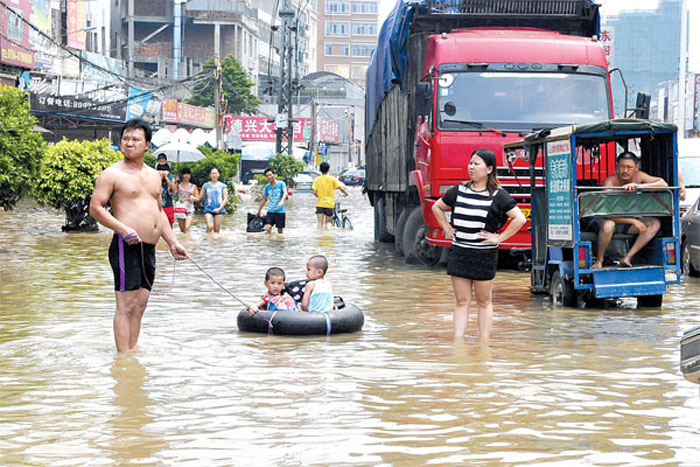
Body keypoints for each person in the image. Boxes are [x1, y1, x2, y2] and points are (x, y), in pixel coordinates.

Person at [89, 118, 188, 353]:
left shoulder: (155, 175)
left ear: (147, 145)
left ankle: (132, 352)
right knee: (126, 305)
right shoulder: (111, 174)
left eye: (135, 140)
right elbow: (96, 208)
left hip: (149, 248)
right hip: (126, 246)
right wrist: (122, 229)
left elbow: (159, 212)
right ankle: (122, 360)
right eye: (125, 139)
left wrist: (173, 242)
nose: (129, 144)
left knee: (141, 304)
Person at [432, 149, 526, 338]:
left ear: (489, 169)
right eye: (470, 163)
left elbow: (520, 219)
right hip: (460, 252)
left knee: (483, 301)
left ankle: (484, 342)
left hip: (484, 255)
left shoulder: (498, 195)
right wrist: (447, 229)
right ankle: (458, 341)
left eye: (476, 164)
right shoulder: (459, 190)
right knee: (461, 300)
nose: (471, 167)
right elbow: (437, 207)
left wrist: (498, 238)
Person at [591, 151, 667, 269]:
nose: (625, 171)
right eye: (622, 167)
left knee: (654, 223)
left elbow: (663, 184)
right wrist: (634, 221)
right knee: (608, 225)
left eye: (629, 167)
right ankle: (599, 260)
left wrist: (639, 186)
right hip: (611, 219)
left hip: (628, 224)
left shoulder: (639, 176)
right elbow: (607, 213)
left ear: (636, 167)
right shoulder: (610, 182)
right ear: (617, 167)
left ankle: (627, 257)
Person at [312, 162, 349, 229]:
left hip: (320, 204)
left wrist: (320, 196)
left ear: (320, 169)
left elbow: (314, 192)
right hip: (329, 204)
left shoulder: (317, 179)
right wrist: (346, 194)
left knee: (320, 223)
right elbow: (340, 188)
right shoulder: (332, 179)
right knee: (328, 223)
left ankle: (319, 237)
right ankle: (328, 237)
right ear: (328, 169)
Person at [256, 167, 288, 234]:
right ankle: (268, 243)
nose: (269, 177)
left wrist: (281, 201)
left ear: (274, 175)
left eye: (270, 175)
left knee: (280, 232)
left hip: (280, 211)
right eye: (267, 176)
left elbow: (285, 193)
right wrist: (259, 211)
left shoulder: (281, 183)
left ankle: (278, 243)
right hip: (270, 211)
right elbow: (264, 199)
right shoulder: (267, 187)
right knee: (268, 229)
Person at [197, 167, 228, 233]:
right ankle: (207, 241)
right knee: (209, 226)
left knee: (216, 229)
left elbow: (225, 199)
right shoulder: (205, 185)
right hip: (208, 209)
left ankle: (215, 242)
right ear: (210, 175)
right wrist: (190, 198)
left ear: (218, 175)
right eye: (212, 173)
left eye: (215, 173)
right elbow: (199, 197)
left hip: (219, 210)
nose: (214, 175)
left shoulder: (223, 186)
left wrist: (219, 209)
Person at [155, 154, 177, 227]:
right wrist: (159, 178)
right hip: (157, 206)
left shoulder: (170, 177)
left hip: (169, 205)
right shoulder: (154, 175)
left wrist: (166, 177)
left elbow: (173, 187)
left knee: (170, 226)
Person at [174, 167, 198, 234]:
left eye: (188, 174)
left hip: (190, 209)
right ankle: (185, 243)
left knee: (187, 228)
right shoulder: (179, 185)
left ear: (190, 175)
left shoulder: (193, 186)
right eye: (185, 174)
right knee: (182, 231)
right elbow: (174, 193)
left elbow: (197, 198)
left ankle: (188, 243)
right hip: (181, 209)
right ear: (182, 175)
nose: (186, 175)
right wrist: (176, 182)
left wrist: (188, 199)